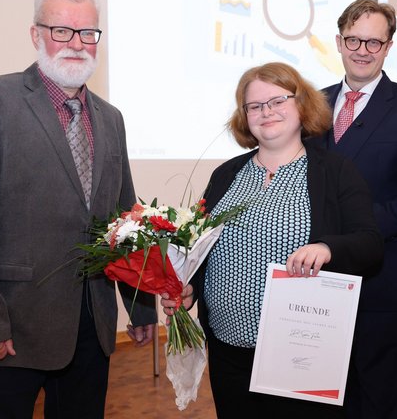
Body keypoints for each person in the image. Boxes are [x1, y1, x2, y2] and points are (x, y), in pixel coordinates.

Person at [0, 0, 156, 418]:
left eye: (87, 33)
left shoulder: (111, 117)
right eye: (62, 31)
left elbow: (127, 221)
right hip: (12, 327)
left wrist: (140, 307)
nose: (77, 44)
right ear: (35, 35)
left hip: (93, 326)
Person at [164, 62, 383, 418]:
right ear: (244, 116)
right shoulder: (226, 175)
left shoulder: (335, 172)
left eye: (278, 100)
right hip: (228, 348)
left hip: (299, 352)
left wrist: (327, 248)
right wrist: (191, 288)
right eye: (255, 106)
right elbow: (206, 252)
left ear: (302, 105)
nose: (267, 112)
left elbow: (371, 245)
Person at [313, 0, 397, 418]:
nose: (362, 50)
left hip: (383, 279)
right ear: (339, 42)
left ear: (389, 46)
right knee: (325, 396)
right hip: (317, 281)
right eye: (354, 40)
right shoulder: (310, 107)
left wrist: (349, 235)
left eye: (373, 43)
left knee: (382, 400)